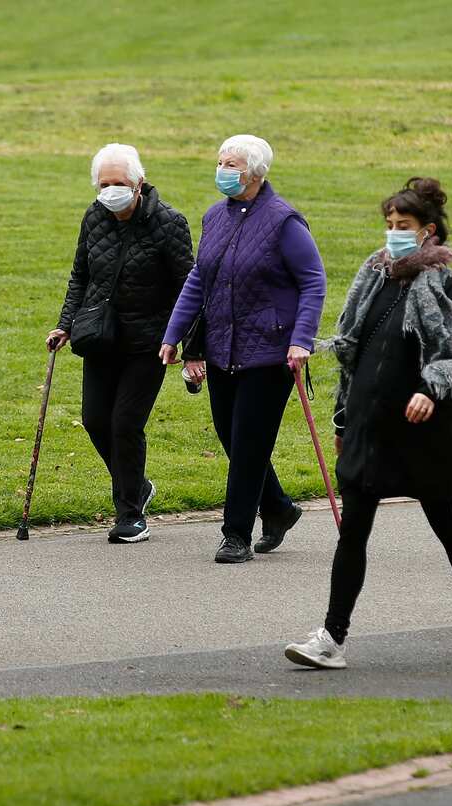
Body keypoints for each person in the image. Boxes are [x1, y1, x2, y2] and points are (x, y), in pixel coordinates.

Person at [284, 177, 452, 670]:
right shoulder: (375, 279)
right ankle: (331, 638)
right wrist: (343, 420)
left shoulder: (447, 286)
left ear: (428, 232)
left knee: (445, 523)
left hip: (423, 431)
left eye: (402, 226)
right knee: (354, 532)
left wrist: (430, 390)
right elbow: (353, 354)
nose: (393, 235)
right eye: (388, 225)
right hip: (370, 426)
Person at [159, 135, 326, 564]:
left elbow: (312, 282)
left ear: (254, 172)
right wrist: (173, 335)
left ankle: (236, 535)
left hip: (271, 354)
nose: (222, 169)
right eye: (220, 161)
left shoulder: (285, 222)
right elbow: (199, 279)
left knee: (249, 444)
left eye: (230, 163)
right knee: (233, 438)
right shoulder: (215, 217)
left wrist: (301, 340)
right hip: (221, 348)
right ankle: (279, 509)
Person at [47, 143, 194, 543]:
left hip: (149, 342)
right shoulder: (94, 216)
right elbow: (81, 275)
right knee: (96, 420)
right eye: (104, 183)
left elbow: (189, 287)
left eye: (119, 183)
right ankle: (138, 486)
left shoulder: (169, 223)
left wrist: (190, 345)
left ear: (139, 183)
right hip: (101, 337)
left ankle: (130, 515)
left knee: (125, 424)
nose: (111, 190)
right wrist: (65, 326)